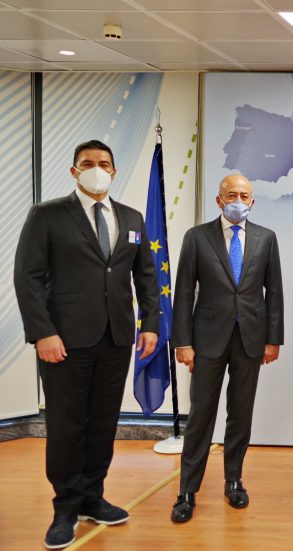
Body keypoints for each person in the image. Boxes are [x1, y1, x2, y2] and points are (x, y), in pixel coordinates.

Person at [13, 140, 159, 549]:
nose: (97, 169)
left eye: (104, 163)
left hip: (116, 337)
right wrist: (42, 332)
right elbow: (27, 277)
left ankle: (93, 497)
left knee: (102, 423)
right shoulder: (48, 215)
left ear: (113, 170)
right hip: (64, 340)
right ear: (74, 170)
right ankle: (65, 508)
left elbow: (146, 276)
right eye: (88, 163)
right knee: (66, 425)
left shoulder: (131, 217)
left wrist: (150, 324)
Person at [169, 174, 284, 523]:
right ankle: (187, 491)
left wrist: (273, 339)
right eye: (231, 195)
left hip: (250, 338)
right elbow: (184, 291)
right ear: (219, 200)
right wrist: (183, 342)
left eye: (244, 195)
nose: (238, 200)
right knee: (201, 415)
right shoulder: (196, 237)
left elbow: (274, 292)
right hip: (207, 340)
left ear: (252, 201)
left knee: (240, 413)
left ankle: (234, 480)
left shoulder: (266, 238)